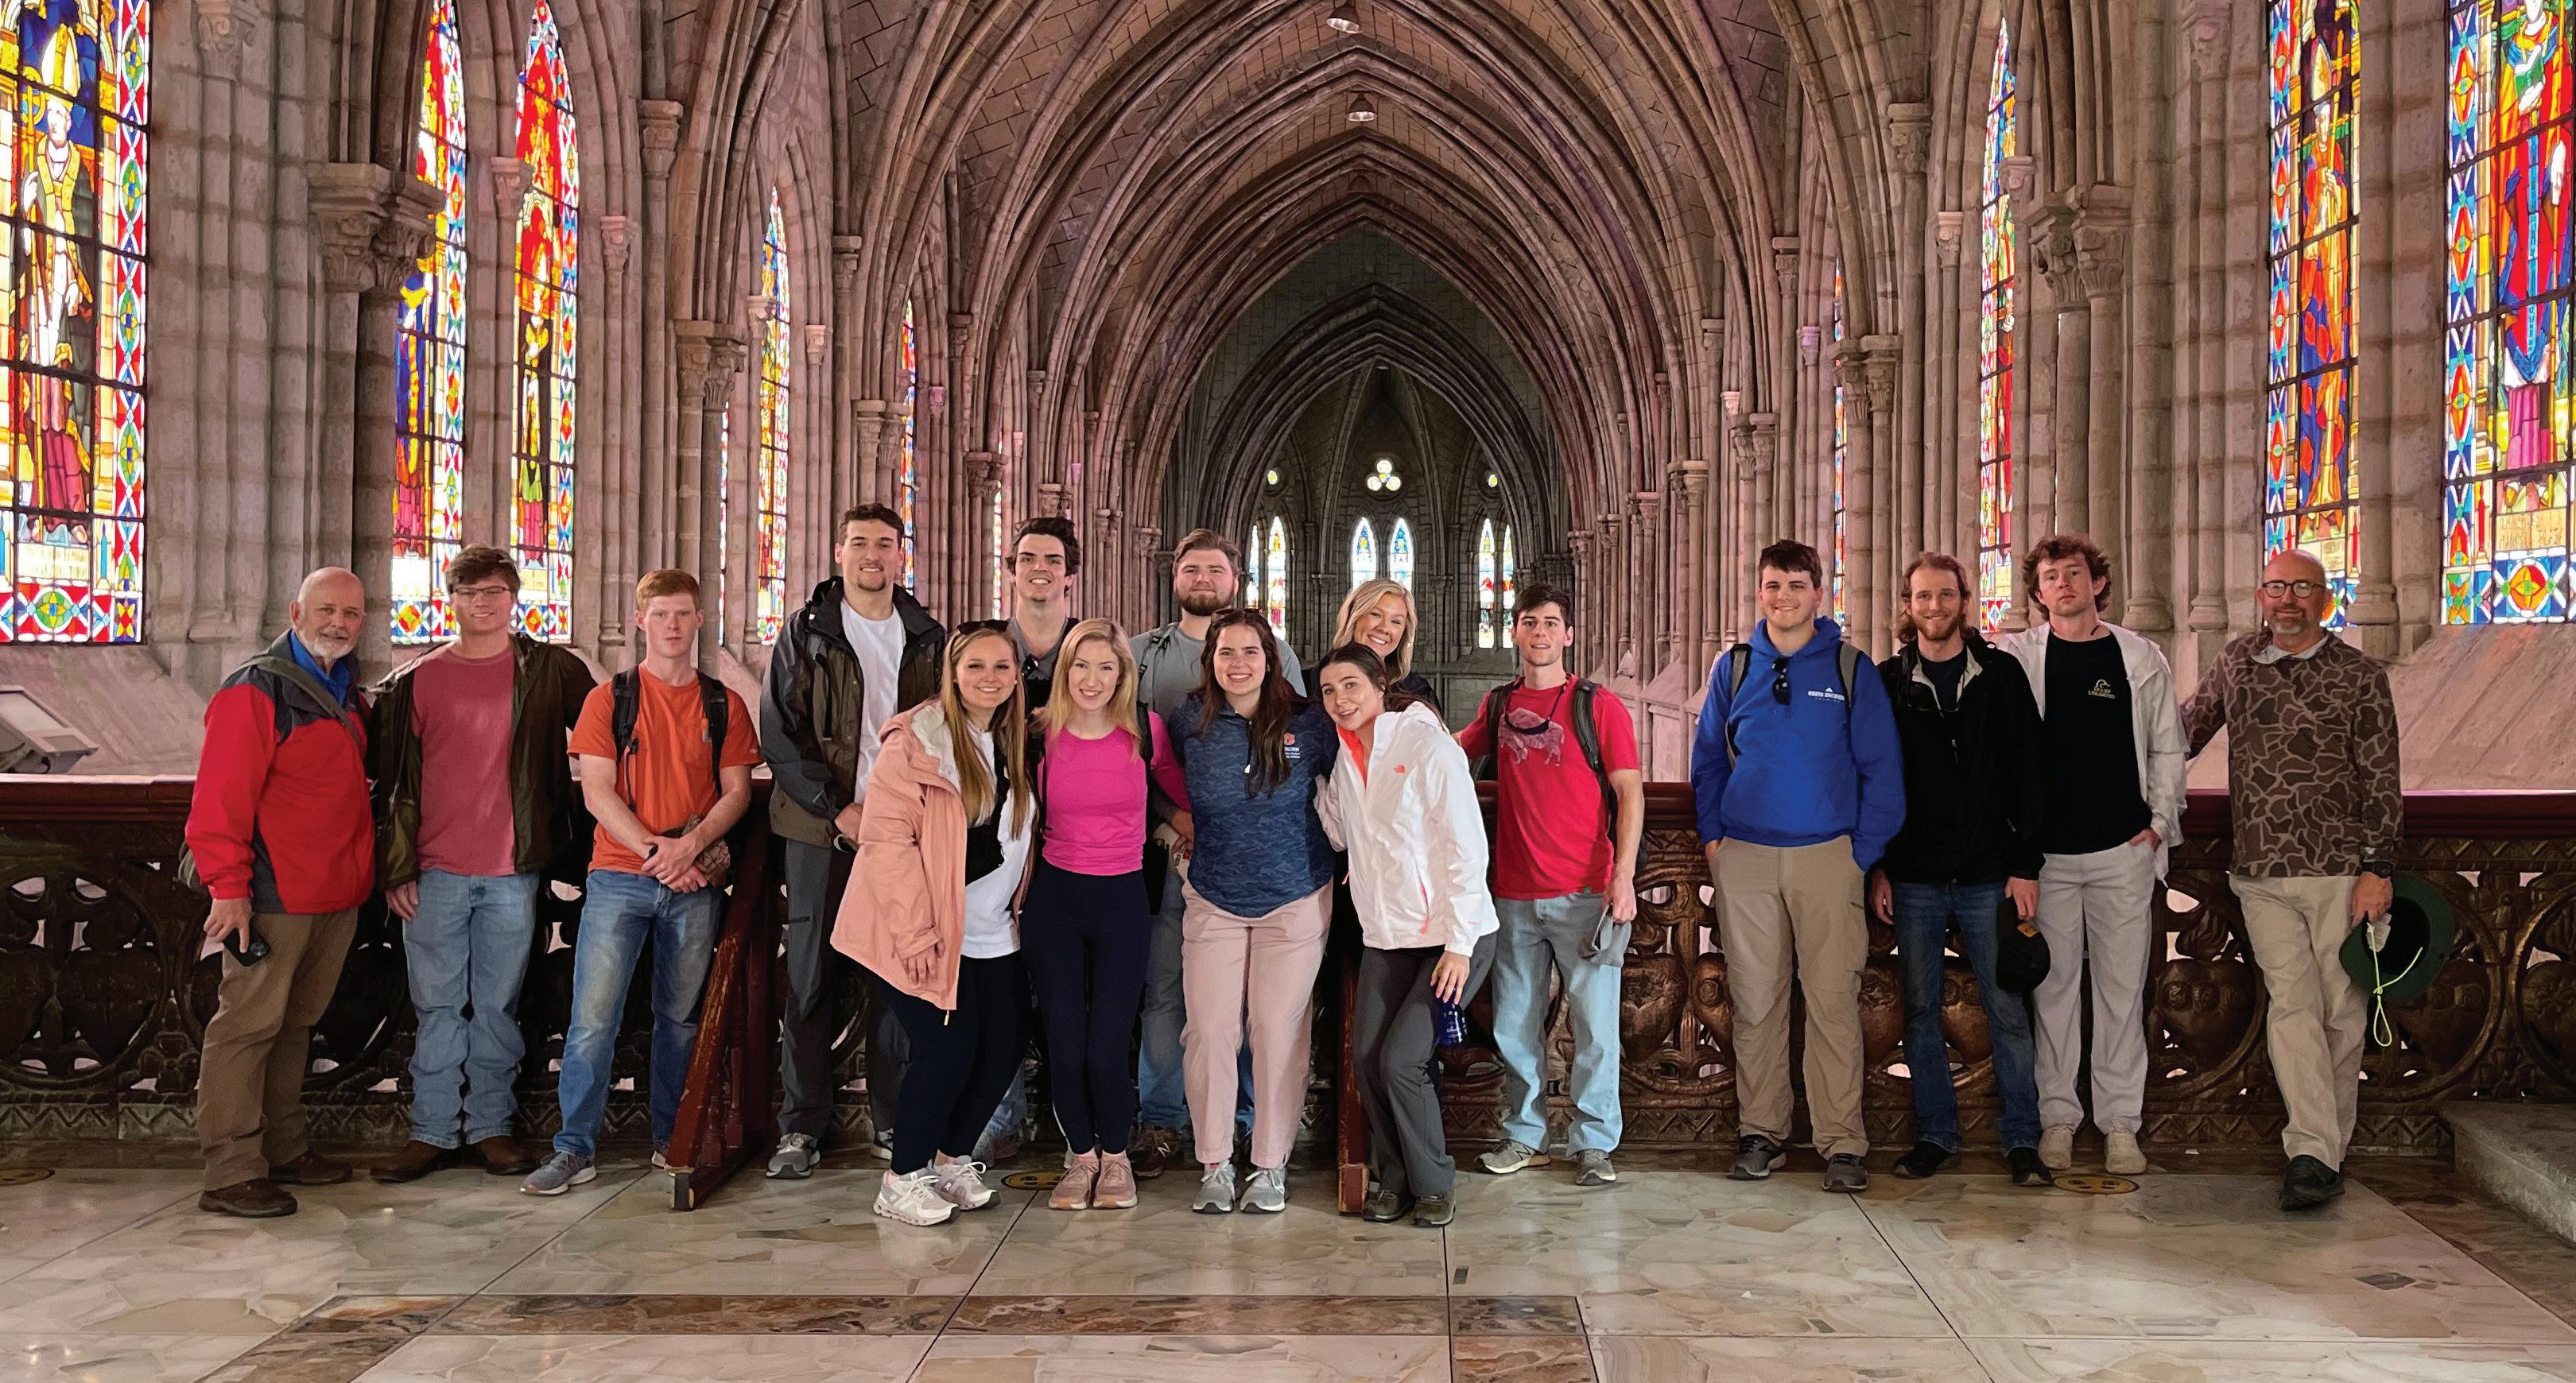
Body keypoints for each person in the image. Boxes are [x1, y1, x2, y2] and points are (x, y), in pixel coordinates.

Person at [524, 570, 759, 1195]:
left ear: (700, 621)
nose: (672, 626)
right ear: (640, 622)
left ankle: (670, 1139)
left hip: (694, 879)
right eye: (660, 615)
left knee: (679, 1019)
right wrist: (660, 852)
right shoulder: (611, 698)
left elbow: (737, 792)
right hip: (620, 877)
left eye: (683, 614)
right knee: (592, 1019)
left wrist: (690, 849)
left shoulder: (723, 704)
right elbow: (597, 791)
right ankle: (574, 1148)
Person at [2182, 548, 2401, 1211]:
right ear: (2261, 595)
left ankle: (2325, 1152)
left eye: (2302, 588)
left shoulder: (2359, 675)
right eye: (2276, 587)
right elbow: (2180, 735)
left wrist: (2377, 869)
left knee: (2341, 1013)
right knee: (2293, 1007)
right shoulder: (2237, 662)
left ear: (2324, 600)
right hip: (2261, 870)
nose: (2287, 600)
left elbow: (2382, 777)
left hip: (2340, 870)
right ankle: (2311, 1152)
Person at [370, 547, 594, 1183]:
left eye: (495, 591)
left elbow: (611, 735)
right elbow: (391, 786)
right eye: (469, 593)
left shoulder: (549, 671)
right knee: (437, 1007)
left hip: (511, 871)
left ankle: (492, 1127)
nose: (483, 603)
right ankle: (432, 1131)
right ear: (452, 601)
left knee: (498, 1006)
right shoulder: (414, 681)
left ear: (514, 598)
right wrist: (396, 867)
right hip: (433, 871)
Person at [1689, 538, 1903, 1194]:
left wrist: (1859, 855)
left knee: (1833, 1002)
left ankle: (1842, 1143)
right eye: (1772, 585)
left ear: (1819, 593)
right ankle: (1762, 1133)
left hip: (1827, 856)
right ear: (1760, 592)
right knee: (1756, 1002)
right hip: (1746, 858)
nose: (1783, 597)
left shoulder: (1849, 669)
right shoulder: (1734, 668)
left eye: (1795, 585)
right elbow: (1708, 762)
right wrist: (1716, 844)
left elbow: (1882, 770)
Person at [758, 505, 946, 1180]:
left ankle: (893, 1120)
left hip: (903, 832)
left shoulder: (927, 636)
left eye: (886, 544)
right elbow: (781, 731)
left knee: (899, 978)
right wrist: (838, 810)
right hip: (821, 830)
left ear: (901, 555)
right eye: (860, 542)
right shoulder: (806, 630)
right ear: (839, 551)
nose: (873, 555)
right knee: (810, 976)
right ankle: (801, 1125)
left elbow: (945, 727)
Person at [832, 622, 1037, 1226]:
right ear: (951, 673)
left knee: (1003, 1047)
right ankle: (902, 1179)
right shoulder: (917, 743)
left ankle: (950, 1162)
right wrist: (917, 933)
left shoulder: (1011, 738)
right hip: (927, 930)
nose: (989, 678)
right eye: (975, 666)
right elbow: (887, 843)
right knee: (946, 1050)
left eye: (1001, 667)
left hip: (992, 928)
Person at [187, 568, 376, 1217]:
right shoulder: (255, 689)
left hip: (334, 893)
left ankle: (284, 1147)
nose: (339, 623)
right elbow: (220, 800)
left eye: (351, 614)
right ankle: (231, 1170)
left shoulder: (345, 690)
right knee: (246, 1027)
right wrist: (228, 889)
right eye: (327, 610)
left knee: (295, 1024)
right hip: (271, 894)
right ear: (296, 613)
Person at [2000, 534, 2186, 1179]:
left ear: (2098, 583)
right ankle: (2057, 1118)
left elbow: (2167, 746)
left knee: (2121, 993)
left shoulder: (2137, 657)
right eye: (2051, 577)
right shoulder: (2018, 658)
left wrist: (2158, 824)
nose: (2064, 585)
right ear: (2038, 591)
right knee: (2052, 994)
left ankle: (2120, 1124)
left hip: (2120, 850)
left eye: (2074, 574)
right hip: (2046, 858)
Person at [1869, 552, 2052, 1187]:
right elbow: (1875, 779)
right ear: (1907, 605)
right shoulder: (1888, 681)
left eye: (1946, 595)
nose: (1934, 607)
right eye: (1923, 596)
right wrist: (1880, 868)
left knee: (2008, 1010)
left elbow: (2031, 773)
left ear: (1963, 602)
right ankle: (1936, 1135)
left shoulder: (1999, 675)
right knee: (1920, 1011)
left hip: (1988, 874)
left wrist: (2026, 865)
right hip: (1915, 875)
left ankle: (2022, 1139)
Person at [1457, 583, 1642, 1187]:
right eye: (1529, 622)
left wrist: (1623, 876)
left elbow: (1630, 792)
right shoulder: (1499, 705)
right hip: (1513, 892)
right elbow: (1451, 754)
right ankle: (1525, 1134)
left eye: (1551, 623)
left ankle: (1594, 1142)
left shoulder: (1598, 705)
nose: (1540, 632)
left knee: (1595, 1026)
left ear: (1569, 634)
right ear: (1515, 631)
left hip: (1586, 892)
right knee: (1515, 1024)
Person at [1129, 529, 1302, 1175]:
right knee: (1167, 989)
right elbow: (1135, 755)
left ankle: (1249, 1121)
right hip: (1169, 853)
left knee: (1255, 999)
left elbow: (1298, 741)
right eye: (1191, 568)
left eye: (1216, 569)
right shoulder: (1141, 653)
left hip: (1256, 863)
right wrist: (1173, 820)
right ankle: (1163, 1119)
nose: (1203, 578)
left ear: (1236, 580)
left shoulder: (1277, 651)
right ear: (1174, 576)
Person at [1316, 645, 1499, 1227]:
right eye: (1328, 691)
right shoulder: (1345, 757)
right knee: (1366, 1060)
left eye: (1350, 685)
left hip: (1454, 936)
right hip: (1388, 934)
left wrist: (1460, 945)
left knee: (1401, 1060)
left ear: (1380, 686)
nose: (1340, 699)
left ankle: (1434, 1183)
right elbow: (1341, 834)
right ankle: (1394, 1180)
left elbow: (1466, 847)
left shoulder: (1426, 746)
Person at [1166, 610, 1338, 1214]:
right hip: (1214, 894)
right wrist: (1172, 823)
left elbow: (1349, 784)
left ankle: (1270, 1165)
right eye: (1226, 653)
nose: (1238, 664)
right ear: (1210, 661)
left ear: (1271, 659)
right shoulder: (1189, 719)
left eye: (1250, 652)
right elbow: (1155, 776)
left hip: (1295, 895)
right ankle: (1215, 1163)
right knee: (1209, 1029)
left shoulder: (1309, 721)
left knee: (1276, 1030)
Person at [1025, 619, 1193, 1210]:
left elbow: (1181, 797)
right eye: (1081, 665)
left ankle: (1116, 1156)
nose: (1092, 679)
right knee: (1065, 1044)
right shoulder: (1038, 734)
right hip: (1056, 901)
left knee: (1107, 1045)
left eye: (1106, 667)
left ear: (1124, 674)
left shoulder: (1145, 733)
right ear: (1064, 671)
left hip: (1122, 900)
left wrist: (1190, 833)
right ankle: (1080, 1157)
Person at [1316, 578, 1438, 719]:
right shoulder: (1313, 684)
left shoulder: (1418, 691)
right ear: (1353, 617)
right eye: (1376, 614)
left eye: (1396, 622)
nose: (1384, 628)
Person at [1007, 516, 1080, 709]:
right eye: (1027, 559)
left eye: (1053, 561)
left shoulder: (1090, 646)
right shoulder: (987, 646)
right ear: (1013, 574)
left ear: (1069, 577)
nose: (1039, 567)